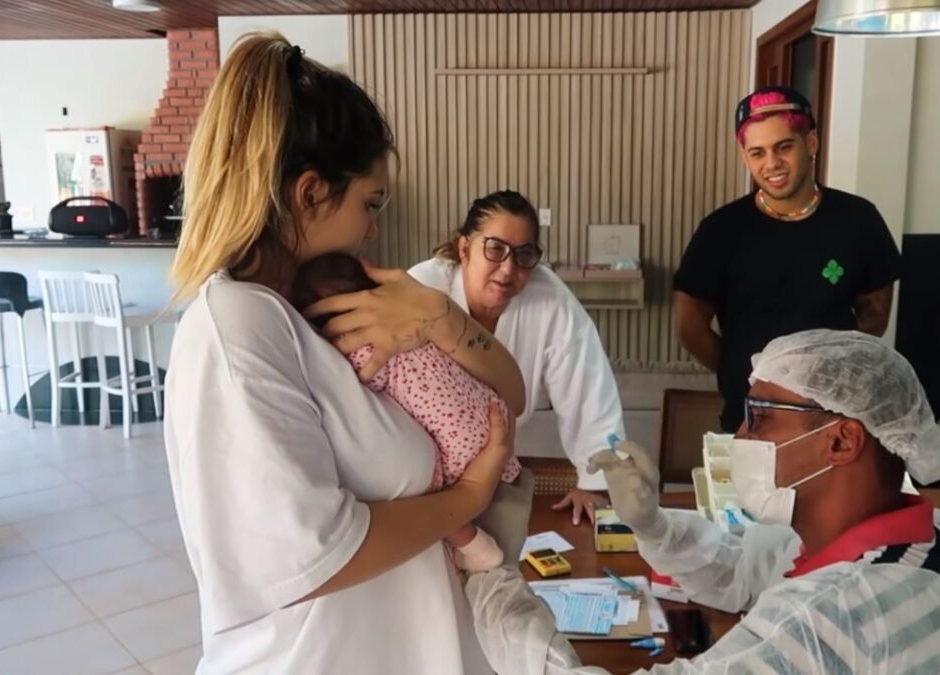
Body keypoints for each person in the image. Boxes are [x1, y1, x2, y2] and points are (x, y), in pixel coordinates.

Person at [164, 33, 524, 673]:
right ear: (309, 194)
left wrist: (442, 320)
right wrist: (469, 497)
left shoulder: (320, 311)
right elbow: (313, 555)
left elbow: (508, 396)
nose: (375, 227)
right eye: (370, 203)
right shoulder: (237, 329)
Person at [465, 330, 940, 674]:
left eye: (760, 416)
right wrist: (653, 525)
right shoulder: (926, 534)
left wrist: (497, 592)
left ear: (840, 440)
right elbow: (741, 567)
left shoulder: (829, 616)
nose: (738, 434)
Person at [673, 86, 901, 432]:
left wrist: (827, 376)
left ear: (811, 143)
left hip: (835, 415)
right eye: (757, 153)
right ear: (745, 157)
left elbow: (875, 316)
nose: (772, 164)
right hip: (751, 416)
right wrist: (743, 371)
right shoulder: (721, 230)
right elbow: (689, 325)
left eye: (784, 147)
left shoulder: (858, 220)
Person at [290, 251, 521, 571]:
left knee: (423, 487)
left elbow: (357, 380)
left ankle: (474, 545)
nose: (373, 230)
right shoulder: (412, 321)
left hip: (459, 448)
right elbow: (513, 392)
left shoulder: (361, 346)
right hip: (491, 412)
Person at [409, 190, 625, 525]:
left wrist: (595, 481)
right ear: (464, 248)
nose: (508, 269)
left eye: (524, 254)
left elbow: (587, 389)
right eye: (495, 249)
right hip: (420, 475)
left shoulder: (549, 299)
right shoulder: (423, 288)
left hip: (498, 471)